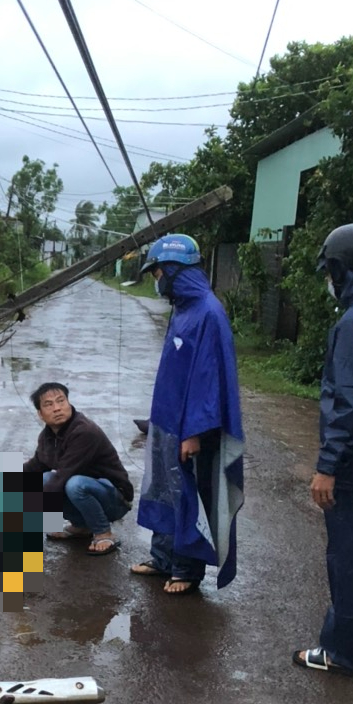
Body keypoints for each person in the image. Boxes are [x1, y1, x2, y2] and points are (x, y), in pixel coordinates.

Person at [131, 233, 244, 595]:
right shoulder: (183, 309)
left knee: (186, 495)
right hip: (166, 421)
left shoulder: (208, 313)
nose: (156, 280)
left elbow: (207, 378)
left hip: (188, 429)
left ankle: (186, 569)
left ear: (175, 270)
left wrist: (193, 432)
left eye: (158, 272)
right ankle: (162, 558)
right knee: (162, 490)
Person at [293, 222, 353, 677]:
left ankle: (345, 652)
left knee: (351, 561)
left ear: (341, 269)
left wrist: (328, 466)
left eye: (329, 270)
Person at [22, 381, 133, 556]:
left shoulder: (84, 432)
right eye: (49, 405)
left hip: (114, 499)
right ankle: (82, 526)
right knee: (42, 480)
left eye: (61, 401)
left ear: (69, 403)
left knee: (74, 484)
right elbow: (35, 466)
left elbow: (63, 477)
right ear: (40, 414)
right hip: (87, 493)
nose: (57, 408)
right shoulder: (48, 435)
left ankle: (104, 532)